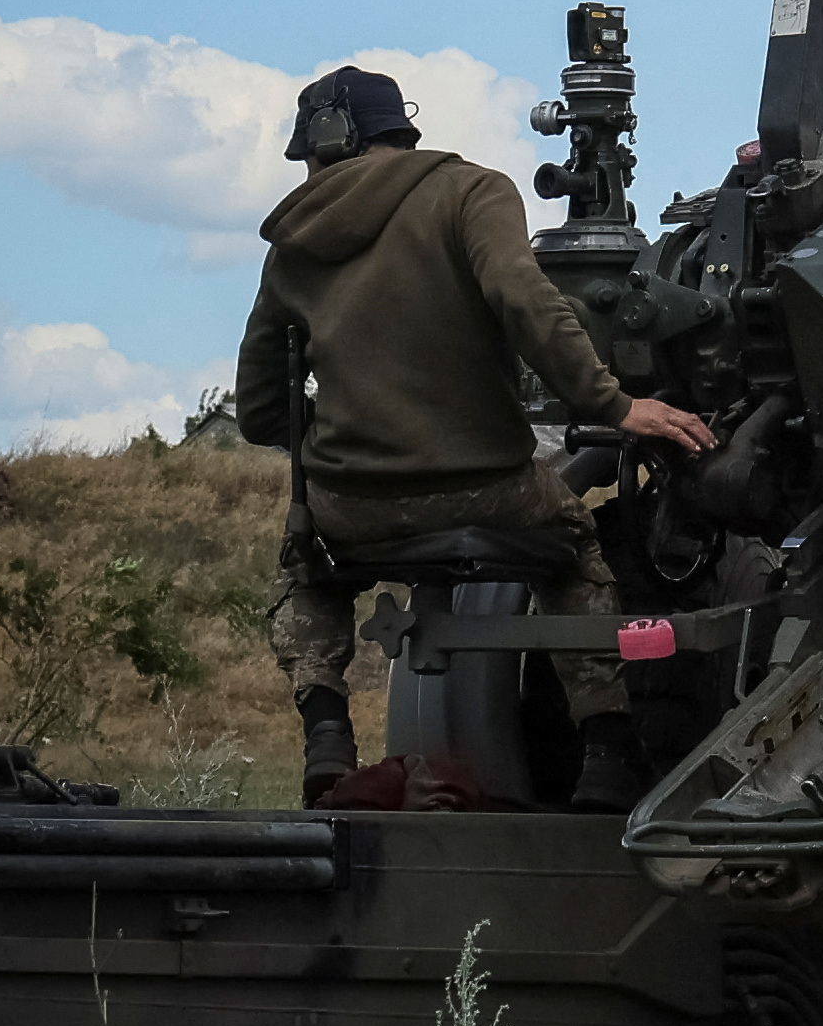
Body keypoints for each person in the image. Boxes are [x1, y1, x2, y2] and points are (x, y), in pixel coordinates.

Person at [233, 66, 713, 808]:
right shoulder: (472, 192)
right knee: (575, 546)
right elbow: (525, 298)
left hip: (352, 508)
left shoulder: (293, 240)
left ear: (329, 141)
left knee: (307, 567)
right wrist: (614, 405)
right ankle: (607, 756)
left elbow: (261, 411)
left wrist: (349, 442)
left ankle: (327, 742)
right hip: (490, 493)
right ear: (398, 130)